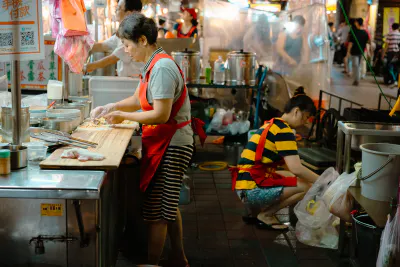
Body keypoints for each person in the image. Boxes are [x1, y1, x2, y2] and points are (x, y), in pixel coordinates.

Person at [90, 13, 205, 266]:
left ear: (142, 40)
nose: (126, 51)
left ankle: (152, 262)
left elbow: (162, 114)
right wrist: (111, 107)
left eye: (128, 46)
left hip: (173, 143)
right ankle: (178, 257)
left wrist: (121, 116)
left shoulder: (162, 67)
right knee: (169, 203)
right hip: (166, 141)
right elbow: (136, 100)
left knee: (158, 212)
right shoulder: (152, 64)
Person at [230, 87, 318, 230]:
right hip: (250, 191)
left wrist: (309, 176)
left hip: (242, 185)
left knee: (295, 178)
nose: (306, 122)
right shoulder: (284, 131)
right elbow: (296, 168)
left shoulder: (272, 124)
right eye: (306, 117)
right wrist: (323, 181)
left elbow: (290, 168)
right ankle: (266, 215)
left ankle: (252, 212)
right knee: (306, 186)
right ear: (297, 111)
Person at [85, 0, 143, 77]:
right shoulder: (122, 32)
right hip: (127, 82)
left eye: (118, 8)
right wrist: (82, 45)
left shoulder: (135, 32)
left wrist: (88, 66)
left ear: (128, 13)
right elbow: (102, 46)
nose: (115, 11)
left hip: (135, 82)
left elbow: (113, 58)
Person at [347, 18, 370, 86]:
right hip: (361, 51)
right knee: (358, 65)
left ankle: (357, 80)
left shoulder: (354, 32)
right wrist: (368, 51)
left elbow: (351, 43)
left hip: (355, 52)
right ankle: (357, 78)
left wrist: (348, 52)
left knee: (356, 66)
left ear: (357, 23)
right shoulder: (365, 32)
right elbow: (368, 42)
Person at [382, 23, 400, 87]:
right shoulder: (399, 35)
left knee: (390, 66)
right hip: (397, 53)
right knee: (396, 67)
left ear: (392, 28)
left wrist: (383, 54)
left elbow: (386, 45)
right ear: (398, 28)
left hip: (390, 53)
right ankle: (395, 81)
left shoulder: (390, 34)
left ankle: (393, 80)